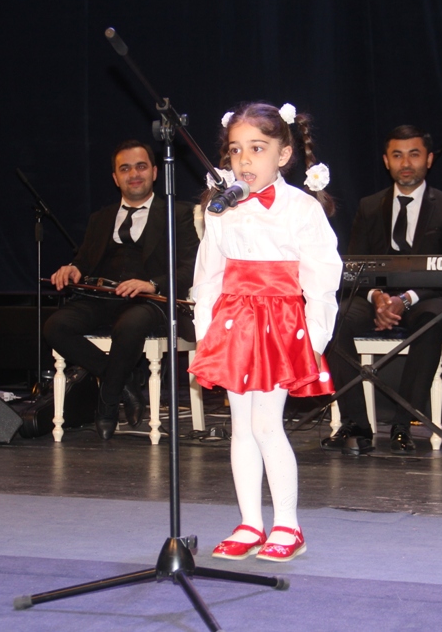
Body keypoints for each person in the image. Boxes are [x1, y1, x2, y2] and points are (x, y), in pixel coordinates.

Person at [188, 102, 341, 563]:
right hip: (235, 325)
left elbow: (322, 278)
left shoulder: (302, 208)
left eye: (257, 148)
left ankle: (288, 525)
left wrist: (313, 340)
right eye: (236, 150)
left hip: (280, 328)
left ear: (284, 153)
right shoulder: (221, 210)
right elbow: (208, 276)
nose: (244, 160)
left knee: (266, 424)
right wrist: (206, 335)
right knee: (240, 426)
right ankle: (250, 522)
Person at [321, 125, 442, 456]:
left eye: (414, 154)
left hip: (426, 297)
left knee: (431, 320)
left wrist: (406, 299)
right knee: (336, 319)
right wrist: (377, 298)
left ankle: (403, 423)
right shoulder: (370, 206)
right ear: (386, 161)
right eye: (397, 155)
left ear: (428, 159)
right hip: (376, 296)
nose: (406, 163)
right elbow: (355, 267)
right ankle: (357, 424)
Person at [43, 139, 199, 440]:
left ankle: (108, 404)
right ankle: (125, 384)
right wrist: (72, 269)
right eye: (125, 169)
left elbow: (192, 266)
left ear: (155, 172)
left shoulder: (177, 213)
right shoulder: (100, 218)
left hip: (150, 300)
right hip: (102, 298)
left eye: (141, 167)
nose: (134, 174)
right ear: (115, 178)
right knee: (55, 326)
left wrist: (152, 283)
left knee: (130, 324)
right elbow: (83, 262)